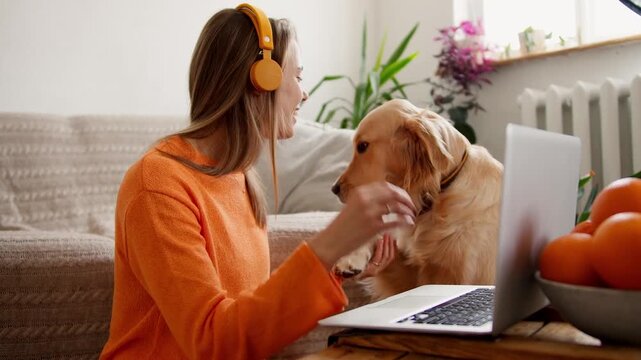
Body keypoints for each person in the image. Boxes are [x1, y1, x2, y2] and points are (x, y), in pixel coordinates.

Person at [99, 3, 416, 359]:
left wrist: (337, 265)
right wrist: (329, 243)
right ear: (261, 79)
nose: (304, 93)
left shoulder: (239, 176)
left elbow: (247, 315)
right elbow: (213, 342)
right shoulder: (158, 183)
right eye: (297, 76)